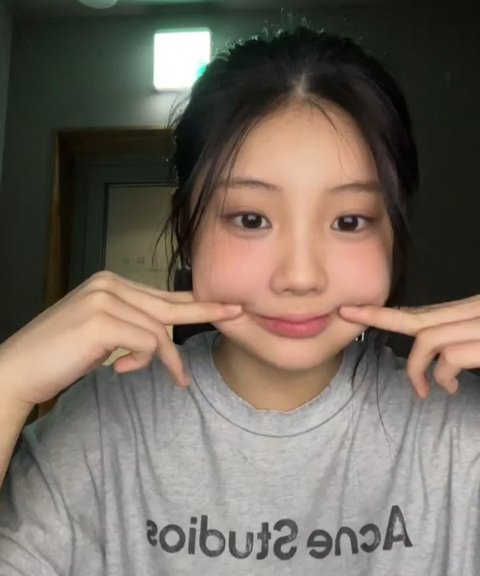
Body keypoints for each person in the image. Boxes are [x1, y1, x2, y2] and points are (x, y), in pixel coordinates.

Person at [0, 24, 479, 575]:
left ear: (393, 235)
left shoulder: (461, 434)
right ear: (187, 230)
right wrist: (9, 382)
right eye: (251, 219)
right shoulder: (102, 428)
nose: (300, 277)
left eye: (349, 221)